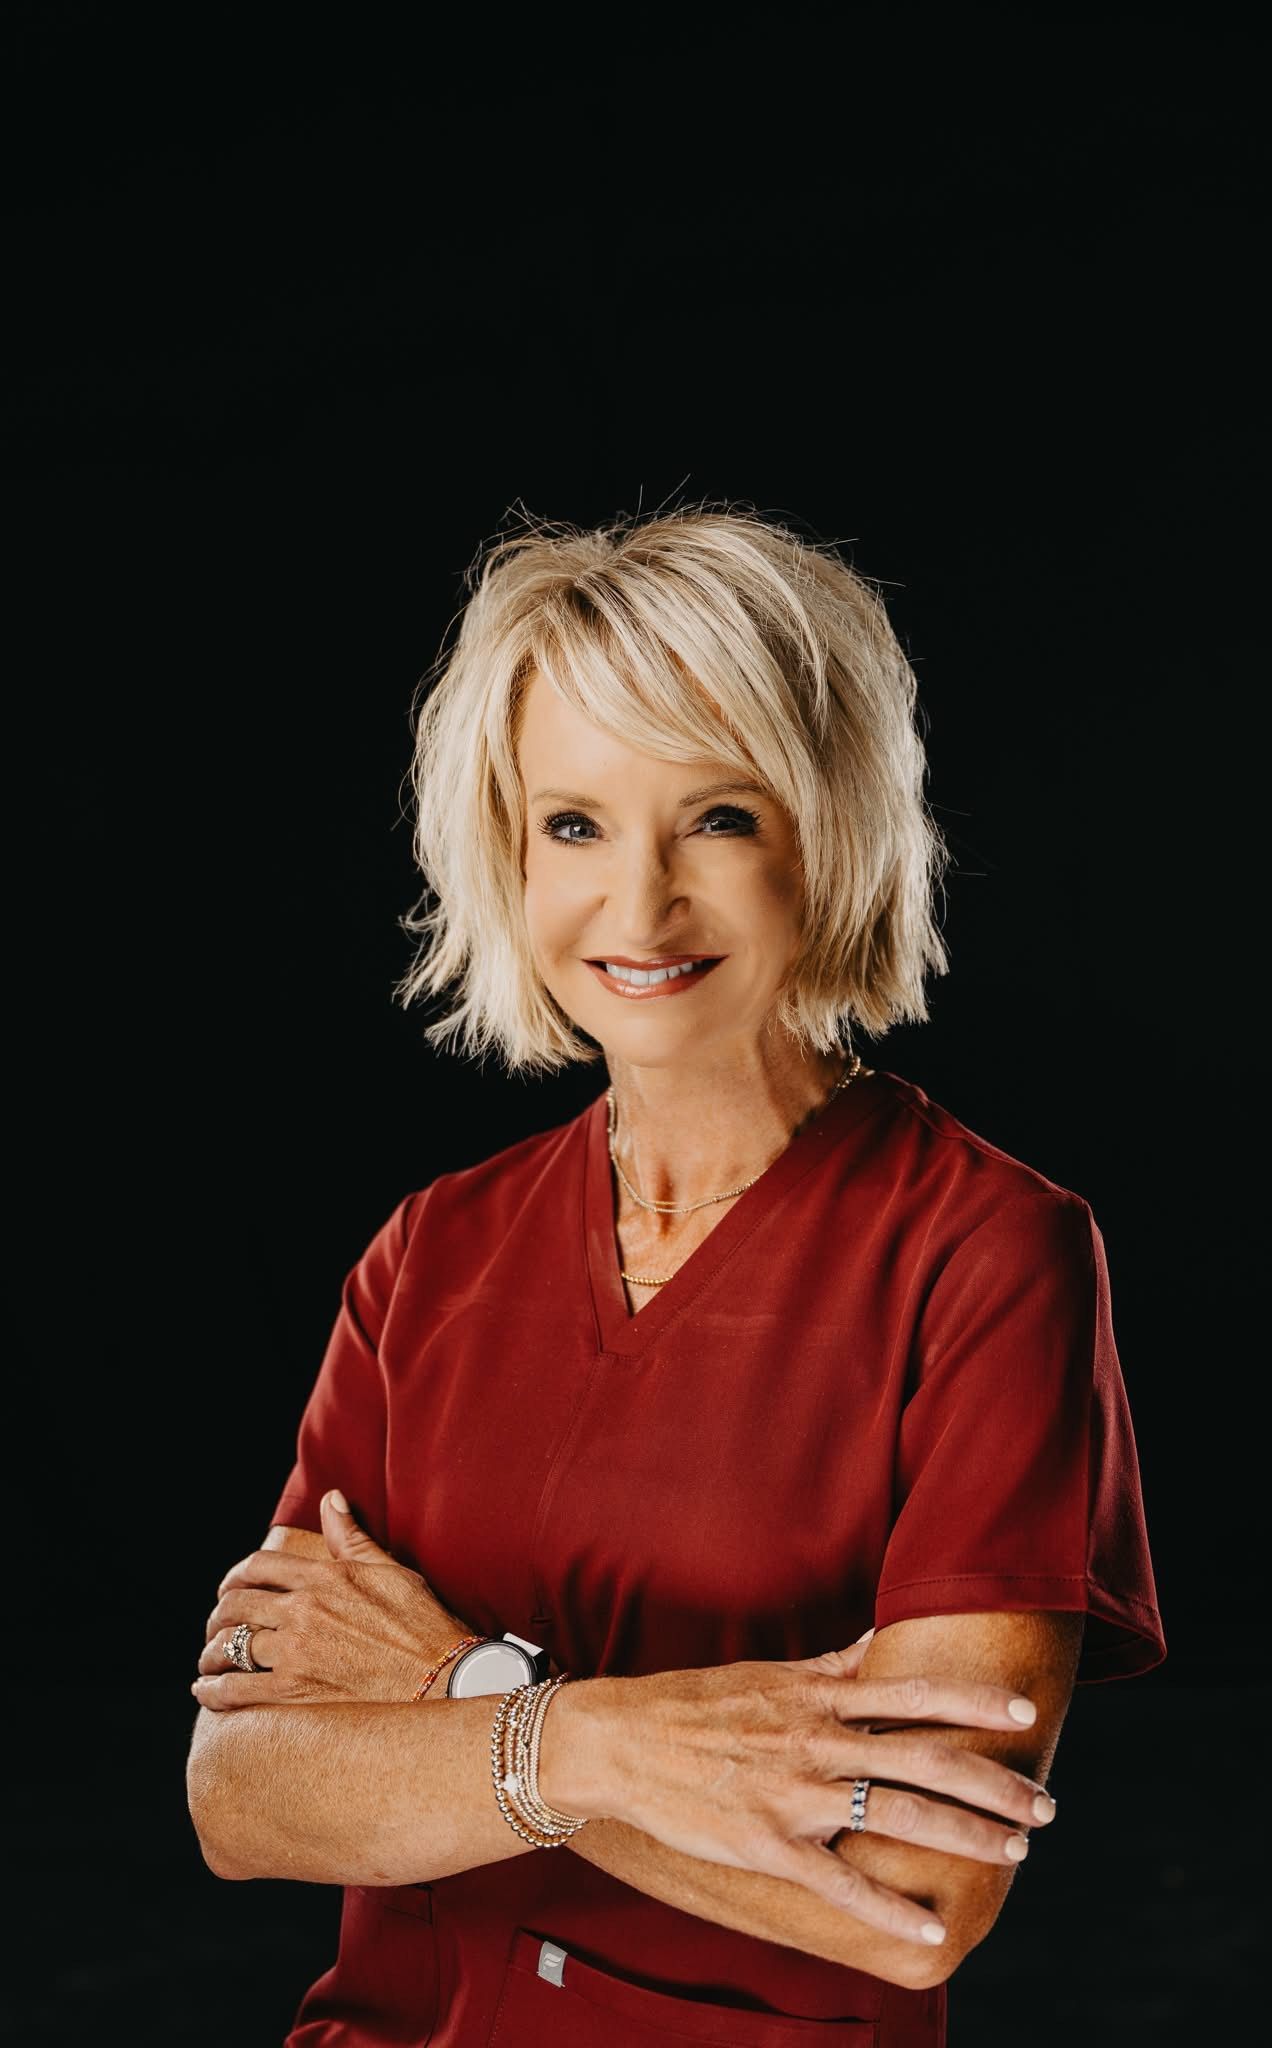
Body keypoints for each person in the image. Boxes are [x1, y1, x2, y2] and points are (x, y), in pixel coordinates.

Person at [186, 502, 1165, 2047]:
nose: (635, 908)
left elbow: (909, 1903)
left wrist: (465, 1694)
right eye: (572, 825)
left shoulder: (987, 1253)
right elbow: (244, 1797)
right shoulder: (426, 1252)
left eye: (718, 818)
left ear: (827, 828)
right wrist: (593, 1745)